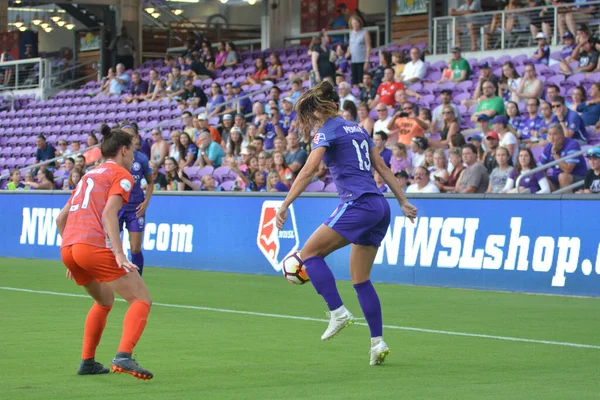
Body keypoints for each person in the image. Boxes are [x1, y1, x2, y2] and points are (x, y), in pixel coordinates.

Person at [275, 81, 417, 366]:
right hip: (380, 205)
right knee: (361, 280)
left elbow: (309, 169)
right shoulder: (358, 129)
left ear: (316, 110)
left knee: (309, 254)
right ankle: (377, 343)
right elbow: (384, 168)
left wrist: (286, 202)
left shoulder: (325, 132)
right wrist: (402, 200)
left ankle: (337, 312)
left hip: (358, 203)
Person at [55, 127, 153, 380]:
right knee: (141, 298)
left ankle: (87, 362)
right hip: (92, 246)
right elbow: (109, 213)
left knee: (104, 300)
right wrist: (119, 254)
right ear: (123, 150)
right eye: (132, 150)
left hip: (70, 248)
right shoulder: (122, 174)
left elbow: (60, 218)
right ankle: (124, 356)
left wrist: (74, 252)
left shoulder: (88, 175)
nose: (134, 155)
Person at [118, 124, 154, 277]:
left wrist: (146, 202)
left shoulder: (141, 159)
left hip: (135, 208)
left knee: (135, 249)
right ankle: (109, 278)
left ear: (135, 137)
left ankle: (138, 280)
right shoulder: (116, 157)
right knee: (110, 246)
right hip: (118, 207)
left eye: (130, 135)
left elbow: (151, 182)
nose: (128, 138)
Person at [346, 15, 371, 87]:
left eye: (356, 23)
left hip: (362, 59)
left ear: (359, 23)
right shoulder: (351, 33)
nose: (355, 25)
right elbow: (350, 45)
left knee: (361, 80)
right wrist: (348, 52)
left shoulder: (364, 32)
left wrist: (367, 61)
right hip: (354, 60)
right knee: (355, 81)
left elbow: (368, 47)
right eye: (353, 24)